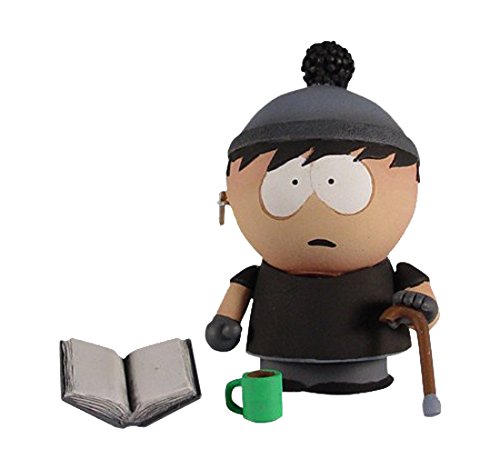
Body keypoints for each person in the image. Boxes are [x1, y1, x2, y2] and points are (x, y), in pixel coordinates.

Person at [206, 41, 439, 394]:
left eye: (341, 185)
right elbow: (235, 300)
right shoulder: (258, 276)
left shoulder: (401, 274)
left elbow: (427, 310)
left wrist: (421, 306)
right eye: (288, 186)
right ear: (230, 198)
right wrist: (224, 322)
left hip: (365, 365)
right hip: (276, 373)